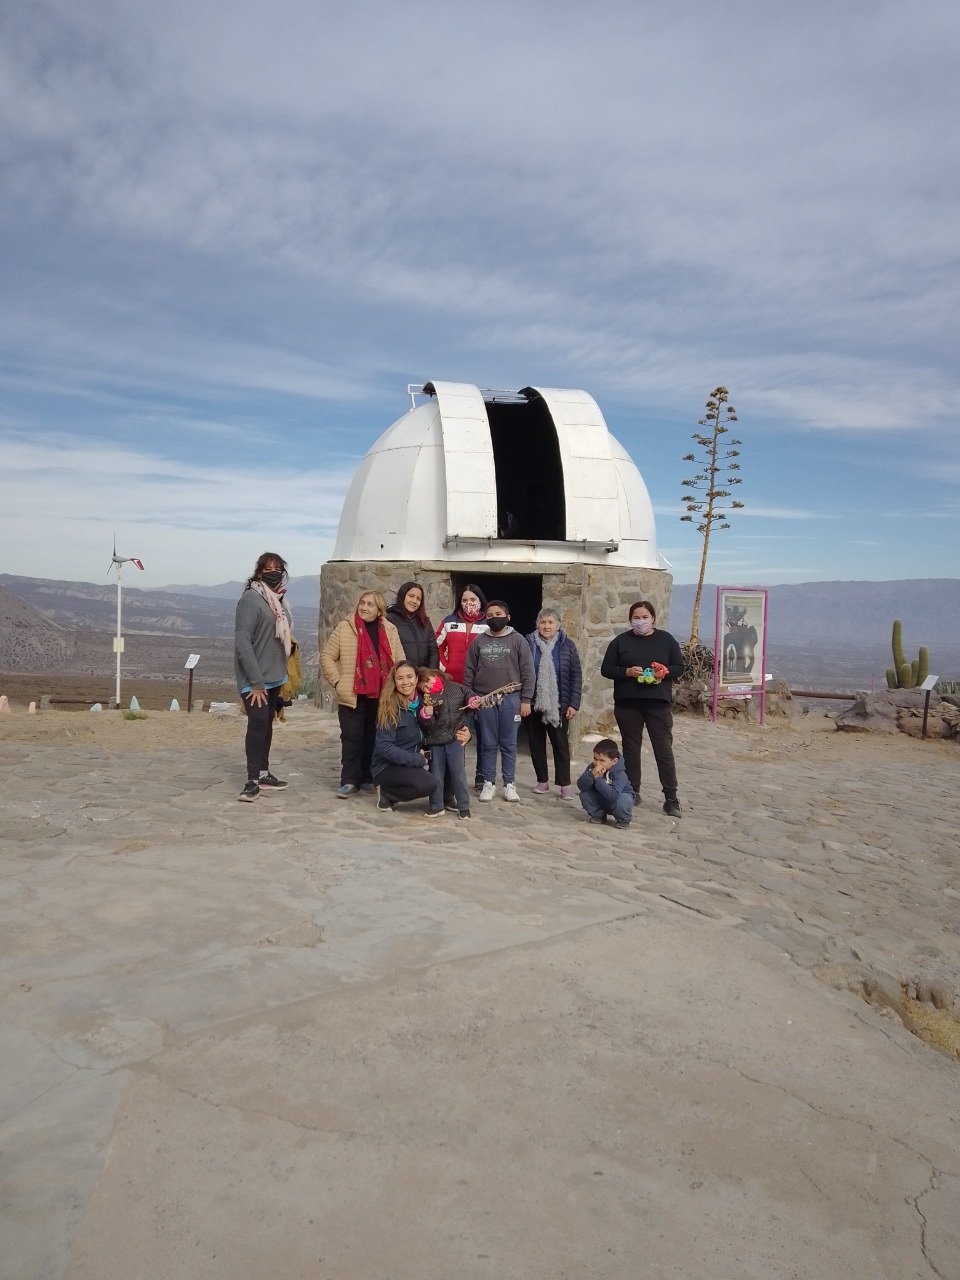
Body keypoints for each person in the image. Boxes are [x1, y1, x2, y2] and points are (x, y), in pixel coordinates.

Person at [600, 600, 684, 817]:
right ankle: (632, 790)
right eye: (636, 618)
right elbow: (606, 668)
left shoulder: (666, 640)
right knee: (630, 749)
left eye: (645, 617)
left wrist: (664, 671)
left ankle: (671, 798)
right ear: (630, 619)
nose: (641, 622)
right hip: (628, 704)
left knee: (663, 750)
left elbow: (679, 667)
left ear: (653, 618)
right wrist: (627, 672)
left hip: (658, 704)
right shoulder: (621, 641)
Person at [320, 590, 405, 797]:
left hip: (381, 694)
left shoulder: (390, 630)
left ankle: (368, 776)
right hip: (353, 694)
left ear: (379, 611)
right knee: (352, 738)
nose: (364, 607)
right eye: (362, 603)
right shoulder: (345, 627)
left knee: (374, 736)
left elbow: (400, 660)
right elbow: (327, 656)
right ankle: (349, 779)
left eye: (370, 605)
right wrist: (338, 682)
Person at [462, 600, 535, 803]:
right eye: (490, 615)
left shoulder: (518, 640)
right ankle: (488, 782)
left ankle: (509, 783)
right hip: (485, 699)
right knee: (487, 743)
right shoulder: (478, 642)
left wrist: (526, 699)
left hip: (511, 698)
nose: (494, 618)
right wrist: (470, 697)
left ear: (508, 617)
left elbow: (528, 671)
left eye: (499, 613)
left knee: (509, 743)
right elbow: (469, 671)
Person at [234, 552, 293, 802]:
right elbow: (243, 641)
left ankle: (263, 772)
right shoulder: (251, 599)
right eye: (268, 568)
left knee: (267, 725)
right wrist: (256, 682)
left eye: (278, 568)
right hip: (256, 679)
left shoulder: (277, 599)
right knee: (257, 725)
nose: (274, 572)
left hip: (275, 677)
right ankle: (251, 781)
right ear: (259, 571)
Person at [524, 607, 582, 799]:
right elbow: (520, 671)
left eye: (550, 622)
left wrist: (574, 703)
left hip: (559, 705)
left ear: (558, 625)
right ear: (537, 624)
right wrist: (522, 699)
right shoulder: (528, 644)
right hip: (533, 703)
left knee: (560, 744)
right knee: (536, 743)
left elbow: (576, 676)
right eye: (543, 622)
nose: (546, 626)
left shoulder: (567, 646)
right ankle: (542, 781)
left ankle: (565, 784)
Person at [371, 662, 444, 814]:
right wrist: (417, 760)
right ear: (394, 681)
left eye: (409, 677)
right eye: (400, 678)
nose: (405, 682)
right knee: (428, 784)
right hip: (387, 766)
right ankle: (387, 794)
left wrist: (465, 732)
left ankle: (448, 800)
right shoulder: (389, 707)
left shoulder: (424, 702)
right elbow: (384, 748)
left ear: (417, 679)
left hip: (412, 761)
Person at [435, 584, 489, 788]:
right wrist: (444, 668)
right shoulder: (449, 622)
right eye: (464, 600)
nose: (468, 604)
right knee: (456, 733)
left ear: (480, 601)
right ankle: (455, 778)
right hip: (454, 686)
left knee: (484, 733)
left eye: (472, 600)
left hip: (481, 688)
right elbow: (436, 645)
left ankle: (482, 777)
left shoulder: (488, 624)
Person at [417, 667, 472, 819]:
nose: (428, 686)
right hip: (436, 740)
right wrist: (425, 716)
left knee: (458, 772)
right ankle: (436, 805)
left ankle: (464, 806)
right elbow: (427, 725)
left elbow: (469, 696)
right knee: (436, 773)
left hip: (455, 737)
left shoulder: (456, 687)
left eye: (429, 680)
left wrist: (473, 701)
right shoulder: (427, 700)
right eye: (424, 687)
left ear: (436, 674)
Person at [576, 739, 635, 829]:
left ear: (614, 761)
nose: (597, 763)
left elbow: (613, 796)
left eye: (602, 761)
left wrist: (599, 780)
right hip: (600, 798)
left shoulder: (620, 774)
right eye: (595, 759)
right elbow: (581, 786)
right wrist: (591, 775)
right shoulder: (592, 767)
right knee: (585, 794)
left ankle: (623, 819)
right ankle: (598, 815)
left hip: (616, 800)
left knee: (624, 800)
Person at [386, 582, 439, 670]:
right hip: (404, 676)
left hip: (425, 677)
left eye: (418, 599)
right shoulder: (390, 620)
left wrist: (431, 673)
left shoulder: (425, 621)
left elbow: (433, 650)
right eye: (411, 596)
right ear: (402, 596)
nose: (414, 601)